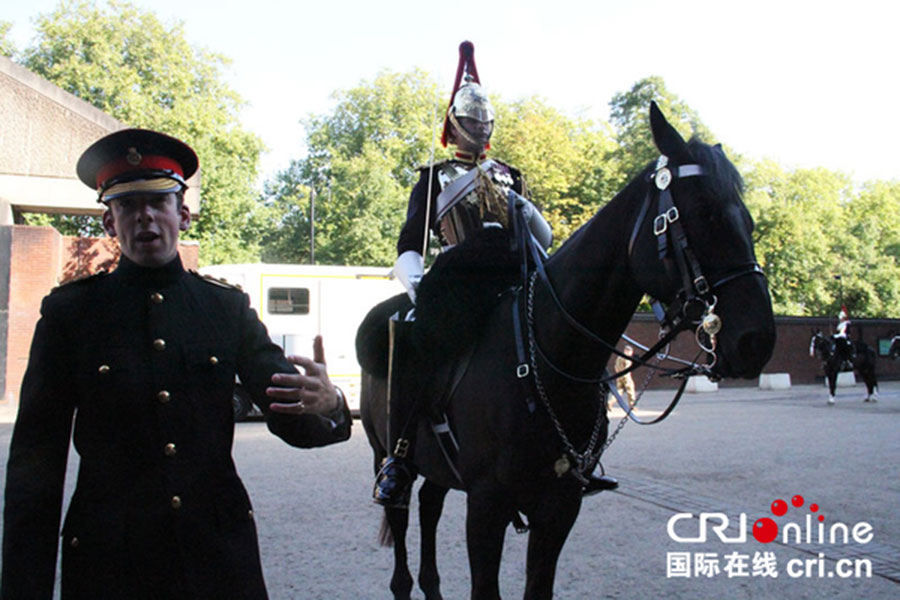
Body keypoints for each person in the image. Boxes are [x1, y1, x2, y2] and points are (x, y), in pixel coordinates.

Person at [1, 128, 351, 599]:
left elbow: (290, 418)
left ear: (182, 215)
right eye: (127, 205)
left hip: (216, 561)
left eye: (158, 202)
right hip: (110, 565)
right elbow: (34, 468)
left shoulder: (226, 309)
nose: (143, 215)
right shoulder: (72, 315)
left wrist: (328, 405)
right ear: (110, 222)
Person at [372, 41, 554, 508]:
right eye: (470, 120)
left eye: (483, 120)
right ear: (455, 123)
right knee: (415, 345)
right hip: (458, 281)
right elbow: (409, 245)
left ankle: (569, 449)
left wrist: (520, 200)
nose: (478, 126)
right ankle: (399, 454)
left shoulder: (510, 173)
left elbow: (544, 237)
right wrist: (418, 289)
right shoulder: (433, 177)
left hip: (515, 272)